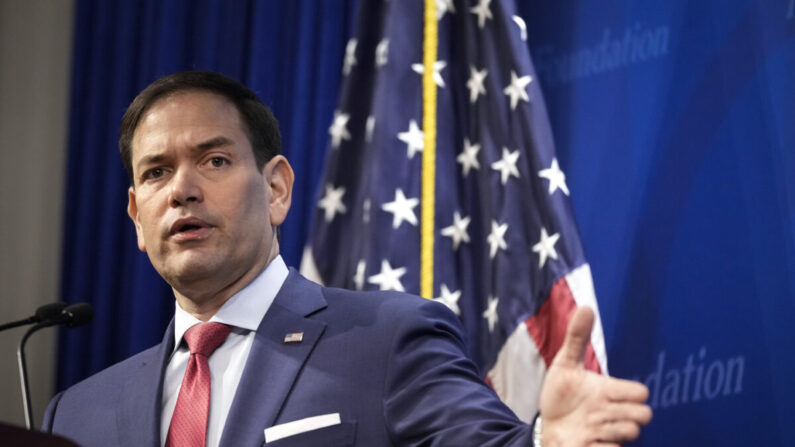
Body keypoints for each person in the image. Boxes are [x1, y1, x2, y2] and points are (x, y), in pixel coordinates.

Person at [43, 71, 651, 446]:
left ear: (277, 188)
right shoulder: (76, 414)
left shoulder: (388, 341)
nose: (182, 189)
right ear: (137, 219)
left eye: (215, 160)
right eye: (156, 173)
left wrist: (547, 443)